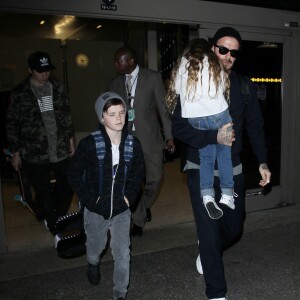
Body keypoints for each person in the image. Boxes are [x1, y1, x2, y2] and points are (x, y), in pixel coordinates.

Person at [170, 27, 271, 300]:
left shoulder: (243, 86)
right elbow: (178, 127)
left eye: (234, 52)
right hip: (199, 165)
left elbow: (255, 127)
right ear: (212, 48)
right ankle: (216, 292)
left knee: (234, 228)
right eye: (223, 49)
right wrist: (211, 136)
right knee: (210, 231)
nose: (228, 56)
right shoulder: (193, 81)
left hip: (233, 167)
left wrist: (262, 162)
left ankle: (208, 250)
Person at [68, 92, 144, 300]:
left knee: (123, 253)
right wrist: (91, 201)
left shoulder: (132, 144)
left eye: (122, 112)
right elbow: (73, 174)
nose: (119, 118)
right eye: (112, 114)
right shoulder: (90, 144)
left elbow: (138, 174)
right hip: (96, 210)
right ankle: (93, 264)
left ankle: (120, 293)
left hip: (121, 209)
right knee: (95, 248)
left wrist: (129, 198)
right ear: (102, 118)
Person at [6, 51, 75, 236]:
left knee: (69, 183)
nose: (45, 75)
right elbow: (12, 123)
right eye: (40, 71)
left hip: (59, 148)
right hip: (34, 151)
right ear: (30, 70)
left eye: (47, 70)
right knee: (43, 191)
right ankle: (54, 227)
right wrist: (15, 152)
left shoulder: (58, 88)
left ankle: (56, 214)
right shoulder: (20, 93)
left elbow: (66, 116)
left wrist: (70, 140)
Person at [109, 46, 175, 236]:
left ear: (130, 61)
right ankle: (138, 220)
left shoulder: (152, 78)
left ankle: (141, 208)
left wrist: (169, 136)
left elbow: (163, 109)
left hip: (150, 139)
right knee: (131, 182)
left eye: (118, 61)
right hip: (125, 141)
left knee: (156, 179)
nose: (115, 65)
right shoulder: (114, 83)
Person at [167, 38, 234, 220]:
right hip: (219, 115)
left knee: (206, 157)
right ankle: (227, 194)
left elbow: (178, 91)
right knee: (224, 154)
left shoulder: (183, 64)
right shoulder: (213, 61)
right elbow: (221, 85)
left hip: (194, 119)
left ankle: (207, 195)